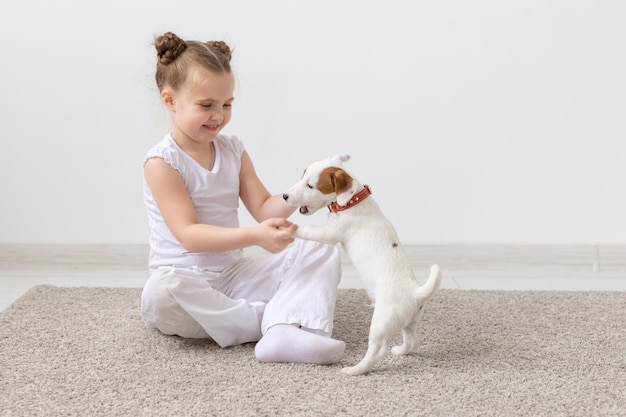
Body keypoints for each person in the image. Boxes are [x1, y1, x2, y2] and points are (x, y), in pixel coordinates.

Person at [140, 31, 345, 365]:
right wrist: (254, 237)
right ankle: (278, 320)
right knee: (160, 293)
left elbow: (264, 208)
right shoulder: (162, 162)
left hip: (234, 276)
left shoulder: (233, 150)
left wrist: (305, 187)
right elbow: (189, 235)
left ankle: (277, 328)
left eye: (227, 104)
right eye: (206, 105)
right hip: (186, 282)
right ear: (170, 100)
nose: (218, 115)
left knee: (321, 246)